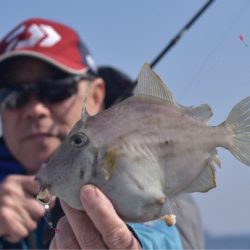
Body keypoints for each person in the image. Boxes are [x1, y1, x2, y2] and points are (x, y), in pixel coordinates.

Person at [0, 18, 203, 249]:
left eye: (55, 89)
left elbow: (175, 229)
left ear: (95, 97)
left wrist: (138, 243)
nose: (34, 110)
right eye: (12, 95)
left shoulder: (148, 161)